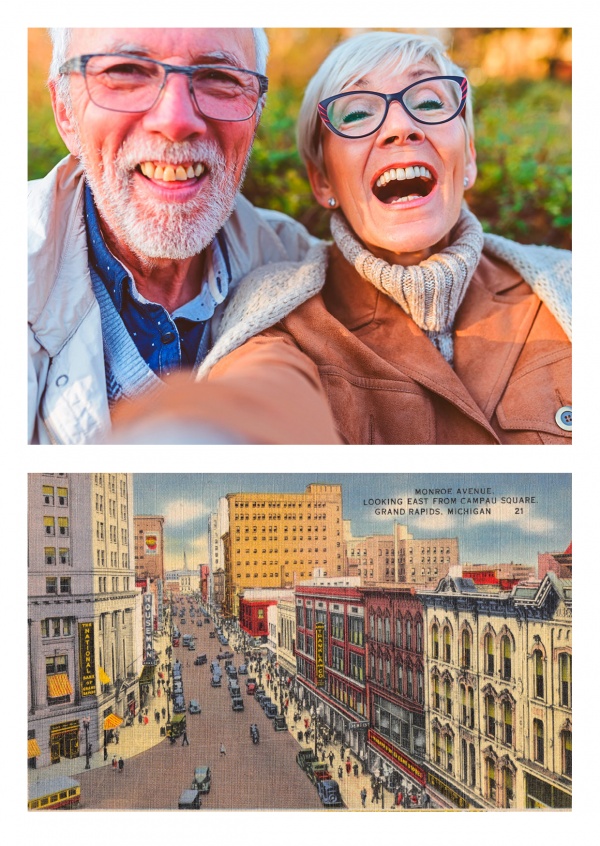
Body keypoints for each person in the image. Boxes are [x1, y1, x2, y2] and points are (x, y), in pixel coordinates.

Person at [191, 30, 571, 445]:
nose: (402, 128)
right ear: (322, 181)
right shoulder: (279, 318)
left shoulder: (568, 287)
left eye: (428, 103)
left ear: (470, 158)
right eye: (356, 114)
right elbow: (257, 400)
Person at [28, 27, 335, 445]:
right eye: (126, 71)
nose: (175, 121)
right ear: (65, 111)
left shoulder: (299, 266)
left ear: (256, 112)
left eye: (219, 78)